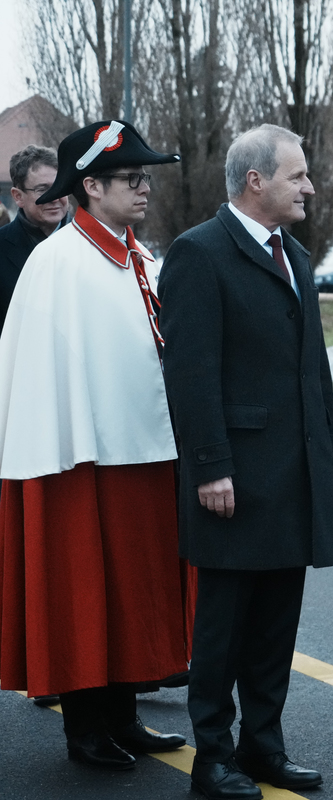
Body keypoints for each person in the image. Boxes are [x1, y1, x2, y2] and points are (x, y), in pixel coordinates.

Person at [159, 124, 333, 799]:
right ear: (257, 181)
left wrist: (329, 449)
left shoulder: (292, 252)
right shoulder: (198, 254)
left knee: (273, 627)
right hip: (232, 477)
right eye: (298, 176)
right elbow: (190, 374)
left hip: (291, 474)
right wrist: (209, 466)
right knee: (223, 631)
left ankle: (264, 748)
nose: (311, 187)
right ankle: (213, 759)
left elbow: (311, 369)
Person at [0, 120, 188, 769]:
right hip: (82, 460)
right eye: (132, 178)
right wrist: (72, 445)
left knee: (135, 590)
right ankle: (86, 730)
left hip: (144, 453)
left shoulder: (141, 256)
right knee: (86, 590)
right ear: (92, 185)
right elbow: (41, 375)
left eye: (144, 177)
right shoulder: (56, 263)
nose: (143, 188)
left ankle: (124, 717)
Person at [0, 145, 70, 327]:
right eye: (43, 189)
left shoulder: (91, 247)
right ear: (17, 196)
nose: (55, 197)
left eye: (60, 186)